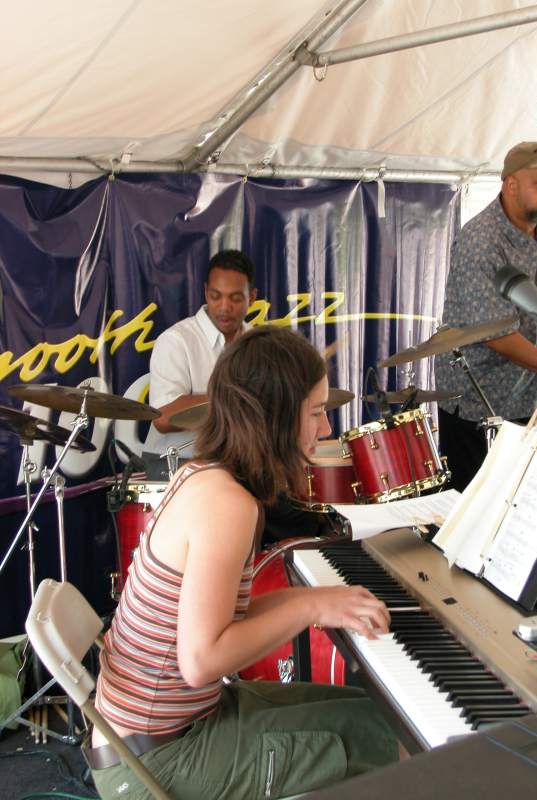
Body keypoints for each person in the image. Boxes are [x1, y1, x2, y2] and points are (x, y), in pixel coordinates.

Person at [89, 326, 399, 800]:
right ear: (273, 416)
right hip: (151, 763)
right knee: (385, 738)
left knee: (371, 711)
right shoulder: (228, 504)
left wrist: (313, 598)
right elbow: (202, 661)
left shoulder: (204, 475)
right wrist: (312, 609)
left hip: (148, 735)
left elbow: (214, 622)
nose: (327, 429)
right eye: (315, 413)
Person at [435, 142, 537, 492]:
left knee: (527, 505)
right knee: (477, 510)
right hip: (481, 402)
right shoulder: (481, 242)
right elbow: (499, 336)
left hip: (535, 394)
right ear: (510, 184)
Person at [143, 249, 257, 470]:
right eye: (216, 296)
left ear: (251, 297)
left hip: (238, 463)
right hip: (173, 465)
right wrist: (238, 399)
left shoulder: (258, 343)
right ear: (205, 292)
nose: (224, 307)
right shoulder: (176, 341)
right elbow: (164, 417)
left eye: (235, 298)